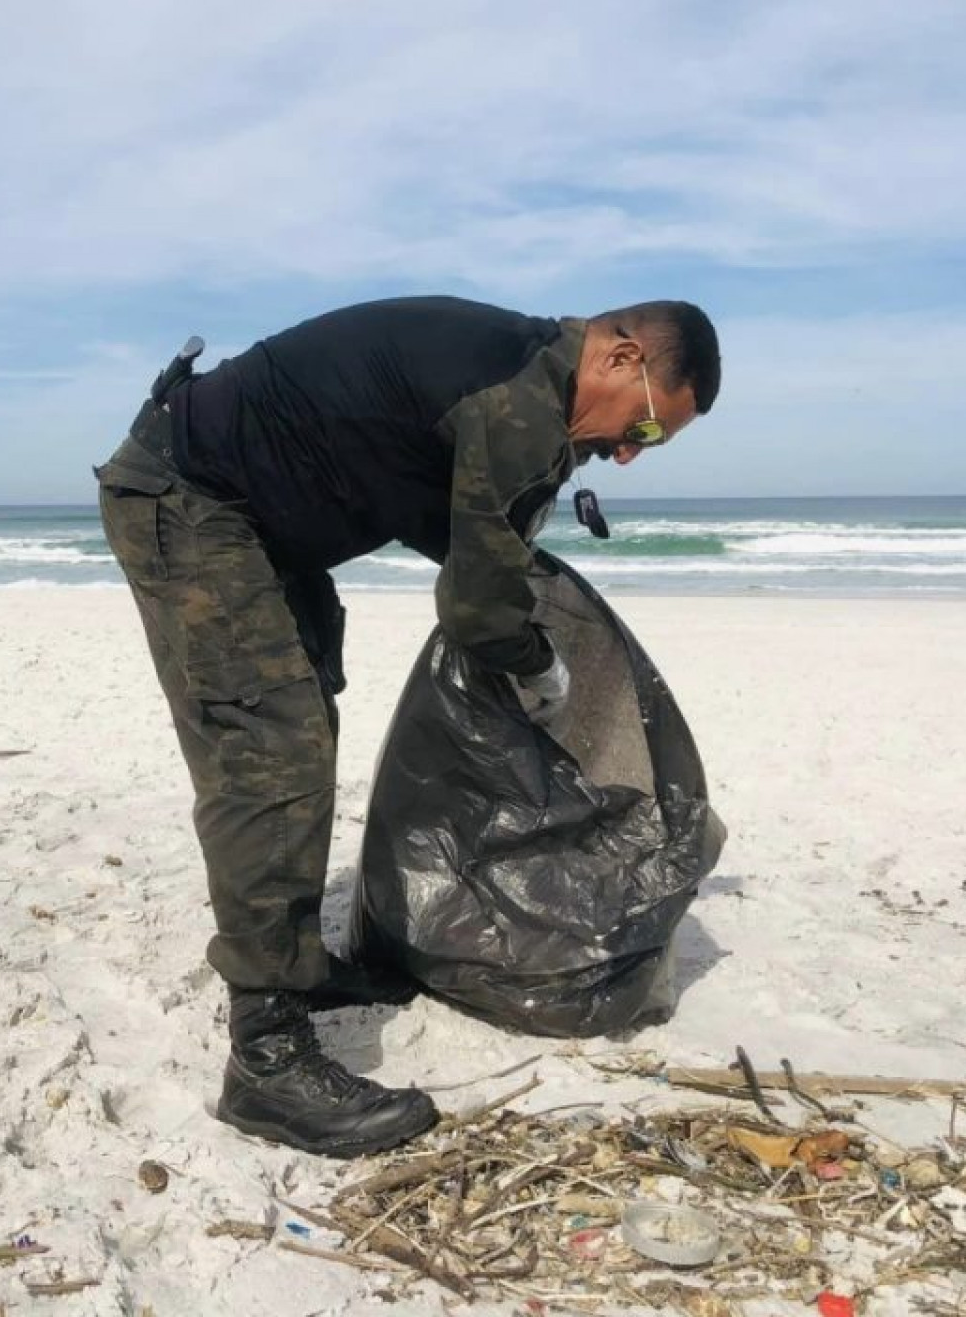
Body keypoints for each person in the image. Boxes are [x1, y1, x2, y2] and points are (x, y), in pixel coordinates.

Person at [95, 297, 721, 1157]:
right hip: (192, 499)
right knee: (271, 762)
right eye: (645, 431)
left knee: (303, 722)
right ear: (618, 358)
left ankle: (297, 965)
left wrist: (523, 615)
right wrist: (535, 661)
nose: (624, 455)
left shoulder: (525, 380)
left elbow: (476, 543)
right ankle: (267, 1059)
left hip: (261, 524)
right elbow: (475, 602)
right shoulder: (518, 396)